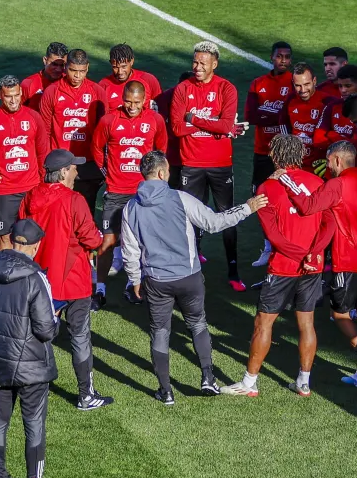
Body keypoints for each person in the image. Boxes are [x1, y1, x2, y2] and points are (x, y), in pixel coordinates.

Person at [121, 150, 266, 403]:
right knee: (197, 324)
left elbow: (130, 249)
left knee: (160, 332)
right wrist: (247, 208)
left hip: (156, 281)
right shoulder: (180, 198)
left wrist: (134, 279)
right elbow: (213, 223)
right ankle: (208, 378)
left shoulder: (130, 207)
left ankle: (165, 391)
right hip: (189, 277)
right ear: (161, 173)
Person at [222, 134, 333, 397]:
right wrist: (313, 254)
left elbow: (273, 236)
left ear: (274, 156)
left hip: (283, 266)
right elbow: (330, 223)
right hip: (312, 266)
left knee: (263, 323)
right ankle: (303, 382)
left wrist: (299, 255)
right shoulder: (318, 183)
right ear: (301, 155)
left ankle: (249, 383)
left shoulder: (266, 189)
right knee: (307, 324)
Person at [277, 140, 357, 388]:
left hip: (349, 263)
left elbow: (307, 207)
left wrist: (286, 180)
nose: (327, 166)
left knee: (339, 314)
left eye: (328, 161)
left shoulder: (337, 185)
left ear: (338, 160)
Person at [0, 218, 61, 478]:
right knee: (33, 423)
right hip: (32, 365)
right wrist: (57, 320)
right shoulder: (36, 278)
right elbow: (46, 330)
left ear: (10, 241)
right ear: (35, 246)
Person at [20, 150, 111, 411]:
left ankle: (37, 390)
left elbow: (22, 234)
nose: (77, 172)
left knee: (41, 336)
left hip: (40, 279)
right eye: (73, 168)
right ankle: (86, 395)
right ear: (62, 173)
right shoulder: (75, 200)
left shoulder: (30, 197)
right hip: (74, 280)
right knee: (80, 336)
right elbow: (93, 239)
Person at [170, 41, 250, 290]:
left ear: (214, 64)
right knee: (190, 218)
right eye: (195, 62)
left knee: (227, 215)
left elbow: (226, 127)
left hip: (219, 165)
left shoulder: (226, 88)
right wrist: (211, 123)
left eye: (202, 63)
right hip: (191, 164)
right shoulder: (183, 88)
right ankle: (192, 268)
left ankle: (234, 271)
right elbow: (176, 128)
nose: (197, 67)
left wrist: (193, 118)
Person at [91, 80, 168, 303]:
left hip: (143, 192)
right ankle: (100, 289)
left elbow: (161, 150)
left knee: (142, 241)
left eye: (136, 102)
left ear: (144, 101)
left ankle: (133, 286)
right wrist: (107, 173)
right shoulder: (109, 120)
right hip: (116, 191)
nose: (131, 106)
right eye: (127, 101)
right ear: (122, 98)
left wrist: (154, 178)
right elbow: (97, 148)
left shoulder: (155, 120)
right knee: (107, 241)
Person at [0, 75, 51, 250]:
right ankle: (4, 276)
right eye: (8, 96)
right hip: (5, 191)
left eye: (16, 95)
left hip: (31, 187)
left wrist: (44, 183)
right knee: (5, 237)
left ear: (21, 93)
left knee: (33, 235)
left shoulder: (34, 117)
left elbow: (43, 153)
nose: (13, 101)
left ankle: (33, 275)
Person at [38, 47, 105, 218]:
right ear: (66, 67)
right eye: (73, 70)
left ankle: (83, 244)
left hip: (87, 162)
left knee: (85, 210)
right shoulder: (52, 92)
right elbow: (45, 130)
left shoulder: (97, 92)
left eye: (81, 71)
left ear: (87, 68)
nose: (77, 76)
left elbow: (103, 131)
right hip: (60, 162)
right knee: (57, 210)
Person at [245, 42, 293, 271]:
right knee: (261, 197)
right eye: (279, 56)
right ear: (271, 57)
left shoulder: (294, 83)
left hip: (285, 155)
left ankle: (284, 247)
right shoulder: (259, 84)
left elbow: (288, 118)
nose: (283, 60)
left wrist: (269, 115)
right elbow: (251, 115)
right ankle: (267, 246)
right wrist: (276, 116)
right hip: (262, 152)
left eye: (287, 57)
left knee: (287, 200)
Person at [281, 62, 328, 171]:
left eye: (307, 84)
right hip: (294, 166)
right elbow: (283, 121)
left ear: (314, 81)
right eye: (298, 85)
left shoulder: (327, 102)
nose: (303, 90)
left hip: (318, 167)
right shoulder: (290, 99)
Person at [314, 93, 357, 171]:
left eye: (356, 122)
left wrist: (331, 134)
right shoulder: (332, 106)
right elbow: (317, 140)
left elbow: (354, 145)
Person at [97, 43, 162, 112]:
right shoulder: (103, 86)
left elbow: (160, 105)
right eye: (115, 67)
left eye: (124, 67)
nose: (120, 72)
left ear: (131, 62)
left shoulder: (148, 79)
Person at [20, 42, 68, 110]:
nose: (58, 69)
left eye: (62, 65)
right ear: (45, 60)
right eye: (54, 64)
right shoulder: (29, 83)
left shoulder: (69, 82)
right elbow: (17, 112)